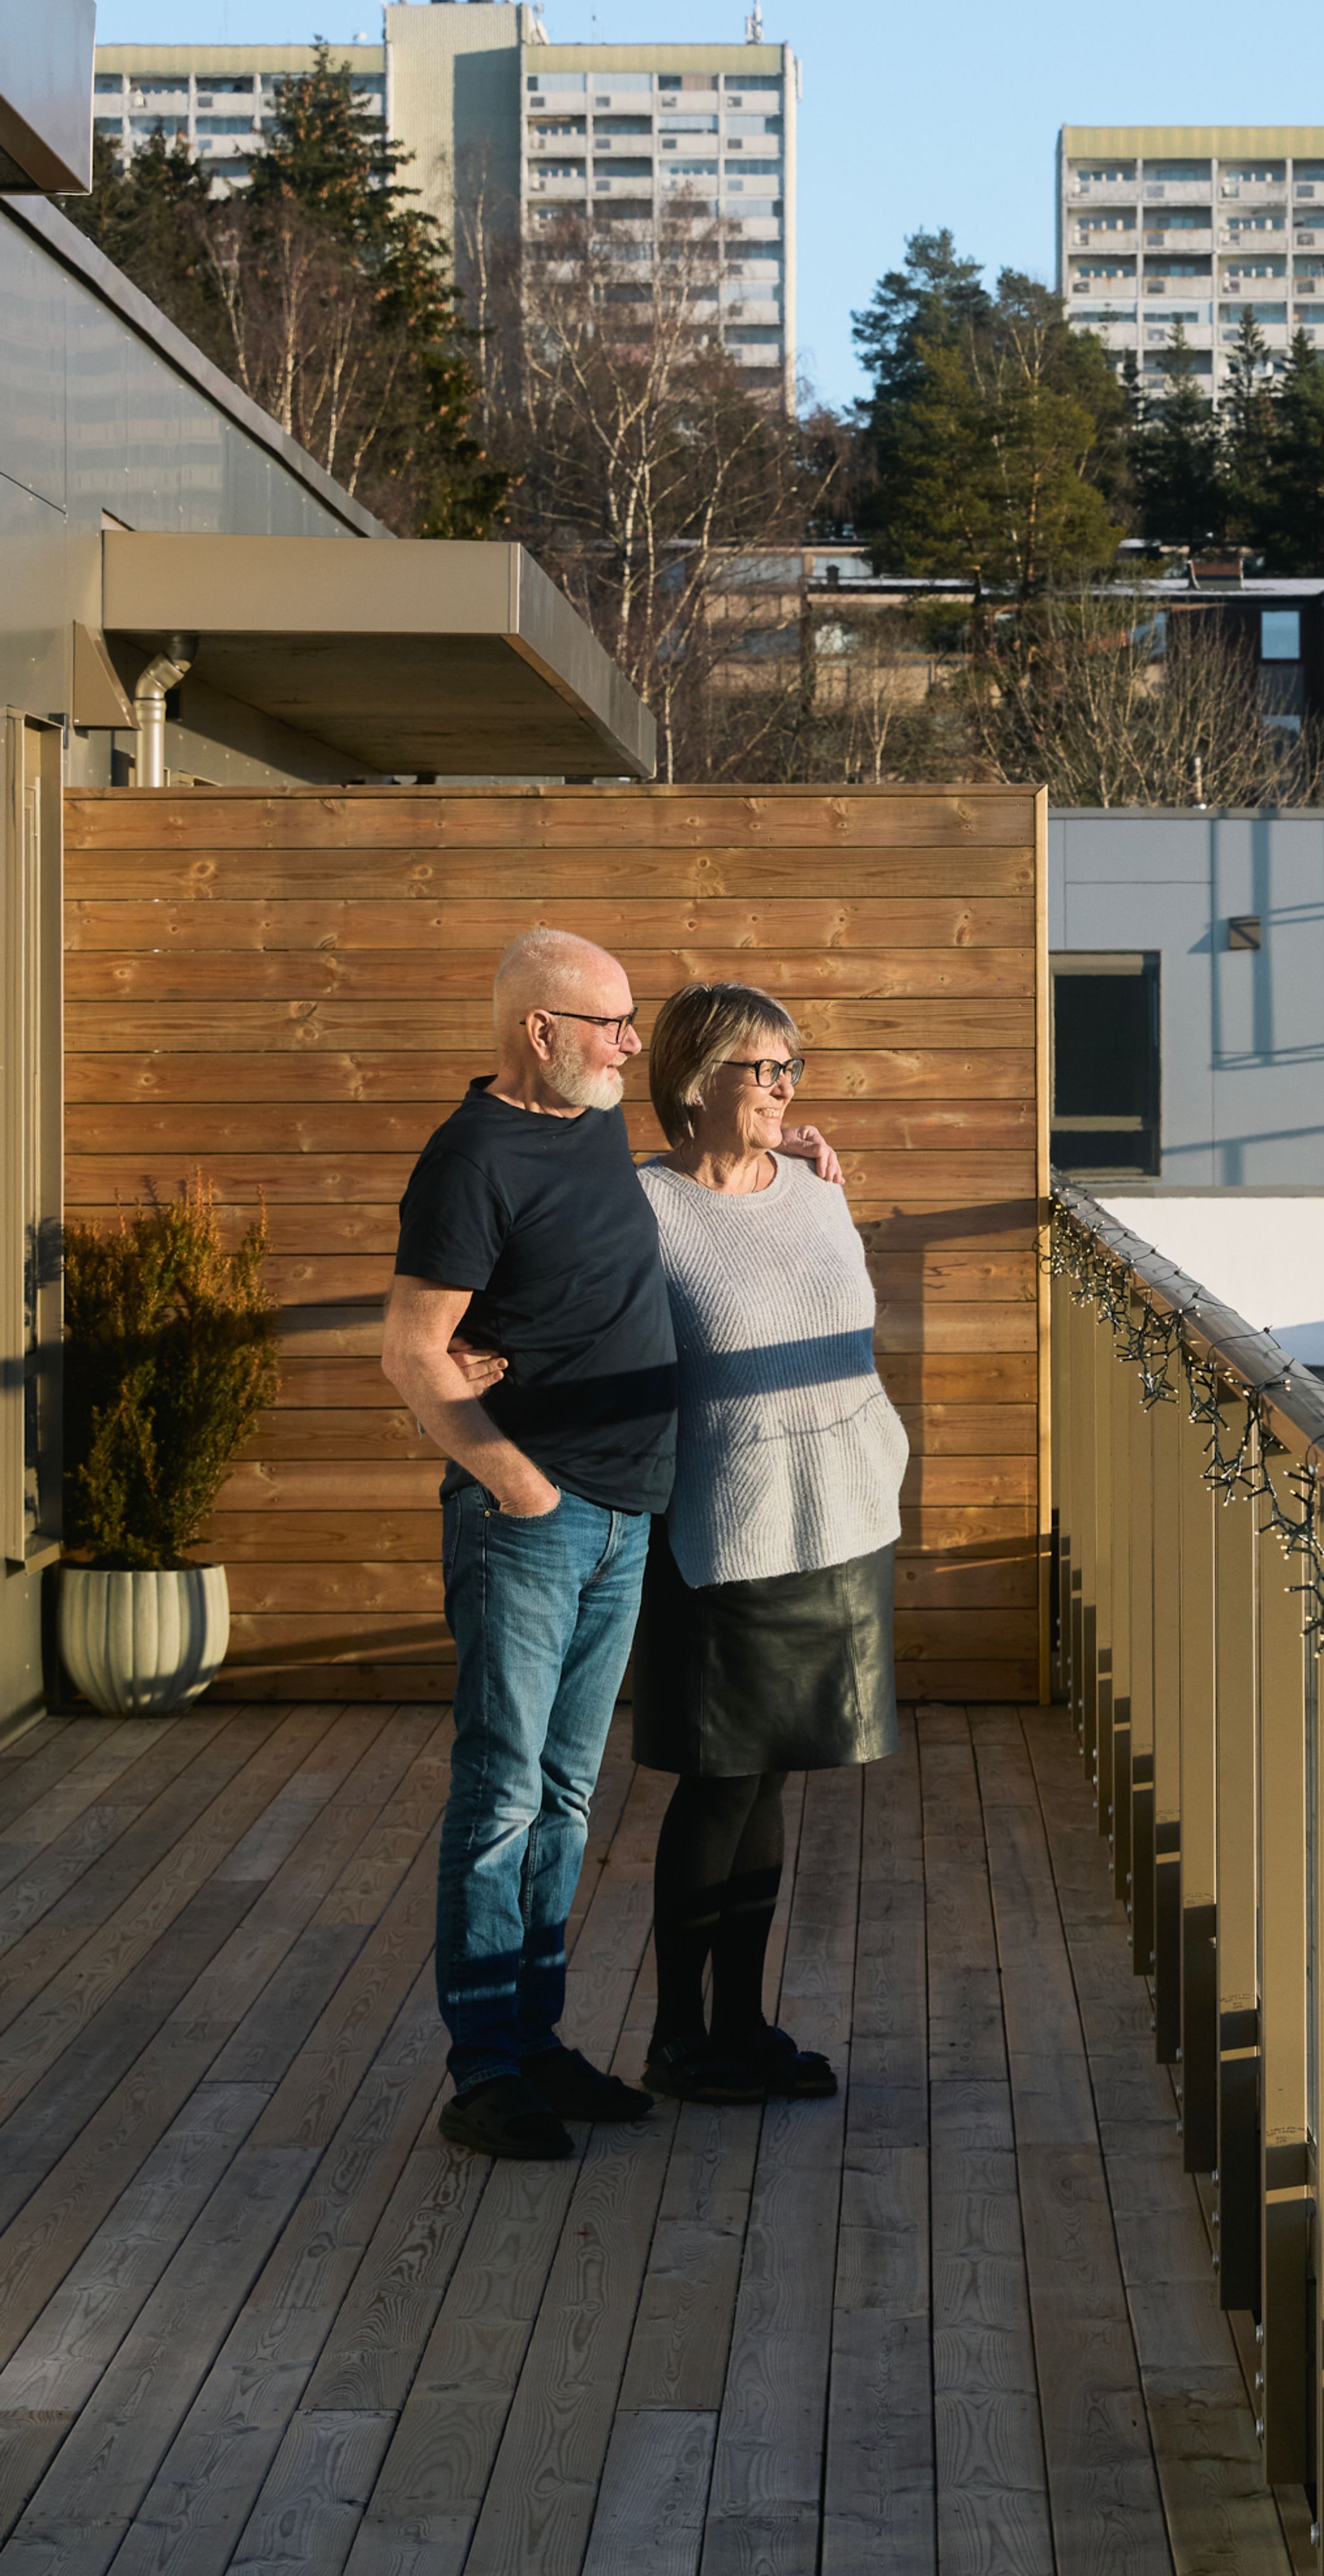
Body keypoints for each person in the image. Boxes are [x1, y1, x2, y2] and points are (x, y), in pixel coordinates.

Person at [383, 924, 681, 2161]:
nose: (629, 1042)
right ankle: (485, 2070)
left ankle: (539, 2040)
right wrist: (517, 1485)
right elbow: (412, 1346)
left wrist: (792, 1151)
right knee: (503, 1793)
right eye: (608, 1023)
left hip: (625, 1512)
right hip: (538, 1523)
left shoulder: (592, 1116)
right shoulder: (470, 1157)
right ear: (538, 1032)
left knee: (566, 1793)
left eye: (630, 1019)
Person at [629, 980, 908, 2104]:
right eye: (765, 1068)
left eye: (795, 1067)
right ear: (697, 1081)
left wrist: (794, 1144)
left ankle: (743, 2024)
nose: (788, 1087)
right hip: (727, 1530)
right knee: (717, 1784)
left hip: (843, 1517)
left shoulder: (812, 1184)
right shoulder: (640, 1206)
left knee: (774, 1783)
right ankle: (677, 2038)